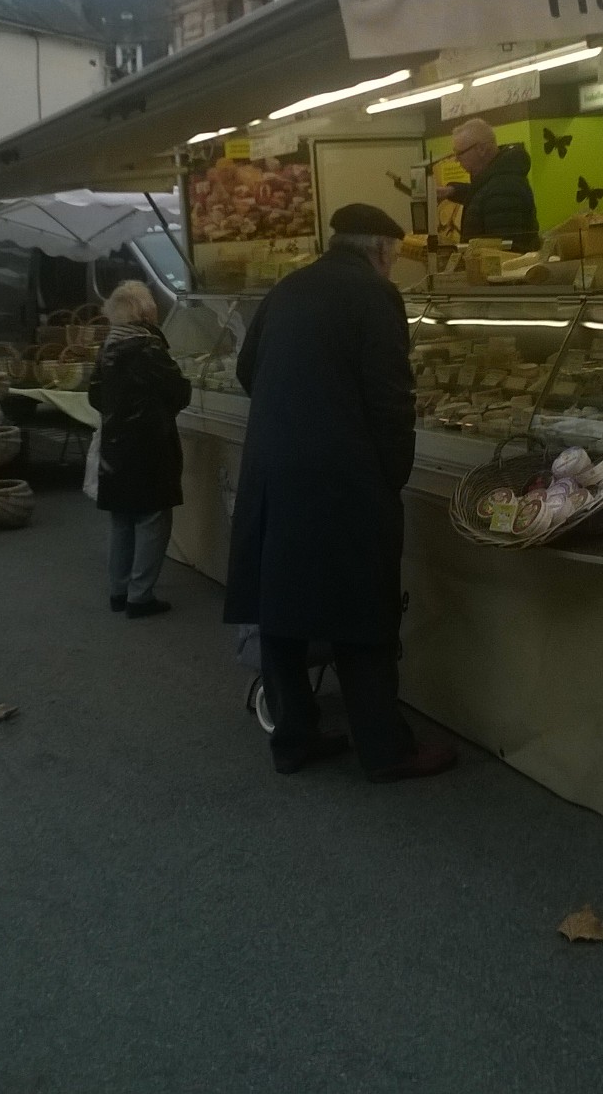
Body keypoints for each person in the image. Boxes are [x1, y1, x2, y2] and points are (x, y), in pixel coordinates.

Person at [224, 203, 457, 782]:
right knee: (362, 612)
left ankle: (294, 738)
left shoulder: (287, 289)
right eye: (394, 258)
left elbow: (247, 369)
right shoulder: (375, 297)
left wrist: (298, 410)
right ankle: (386, 750)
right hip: (342, 476)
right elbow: (390, 397)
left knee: (280, 608)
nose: (392, 268)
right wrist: (390, 472)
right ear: (380, 249)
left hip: (275, 470)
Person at [88, 280, 191, 618]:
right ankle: (140, 596)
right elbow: (179, 392)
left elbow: (94, 396)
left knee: (122, 519)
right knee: (152, 517)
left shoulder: (109, 346)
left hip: (116, 447)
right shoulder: (148, 349)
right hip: (149, 447)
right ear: (146, 310)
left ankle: (118, 591)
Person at [436, 118, 539, 248]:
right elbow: (483, 195)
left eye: (460, 153)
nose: (456, 160)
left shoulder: (504, 189)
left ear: (481, 149)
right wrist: (452, 190)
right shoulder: (497, 179)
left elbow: (502, 252)